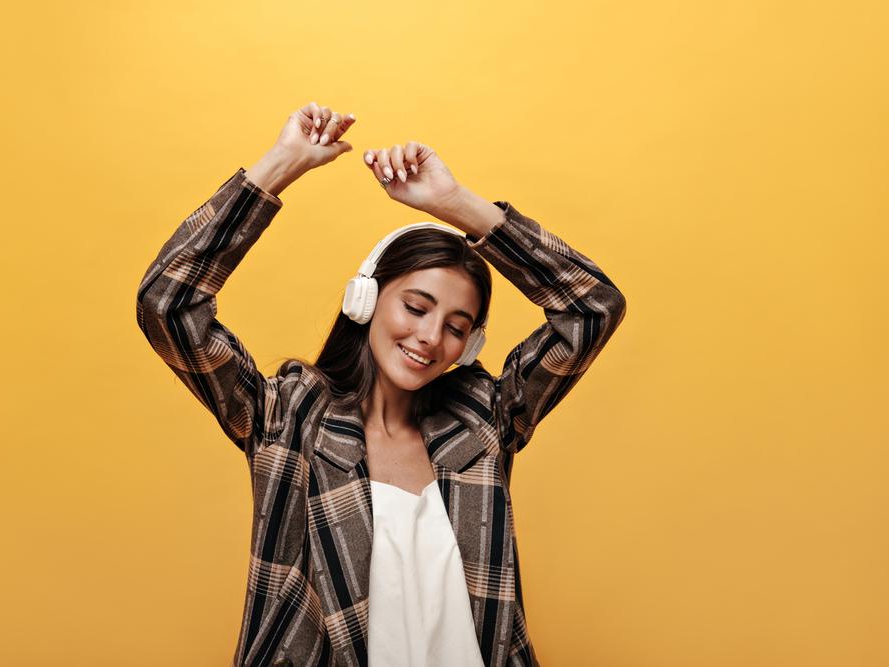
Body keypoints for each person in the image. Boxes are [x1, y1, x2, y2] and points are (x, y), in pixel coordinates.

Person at [136, 102, 627, 667]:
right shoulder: (286, 418)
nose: (429, 337)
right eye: (415, 307)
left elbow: (593, 309)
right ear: (364, 300)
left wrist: (456, 206)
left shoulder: (483, 420)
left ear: (469, 347)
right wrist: (279, 167)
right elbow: (167, 304)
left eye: (455, 327)